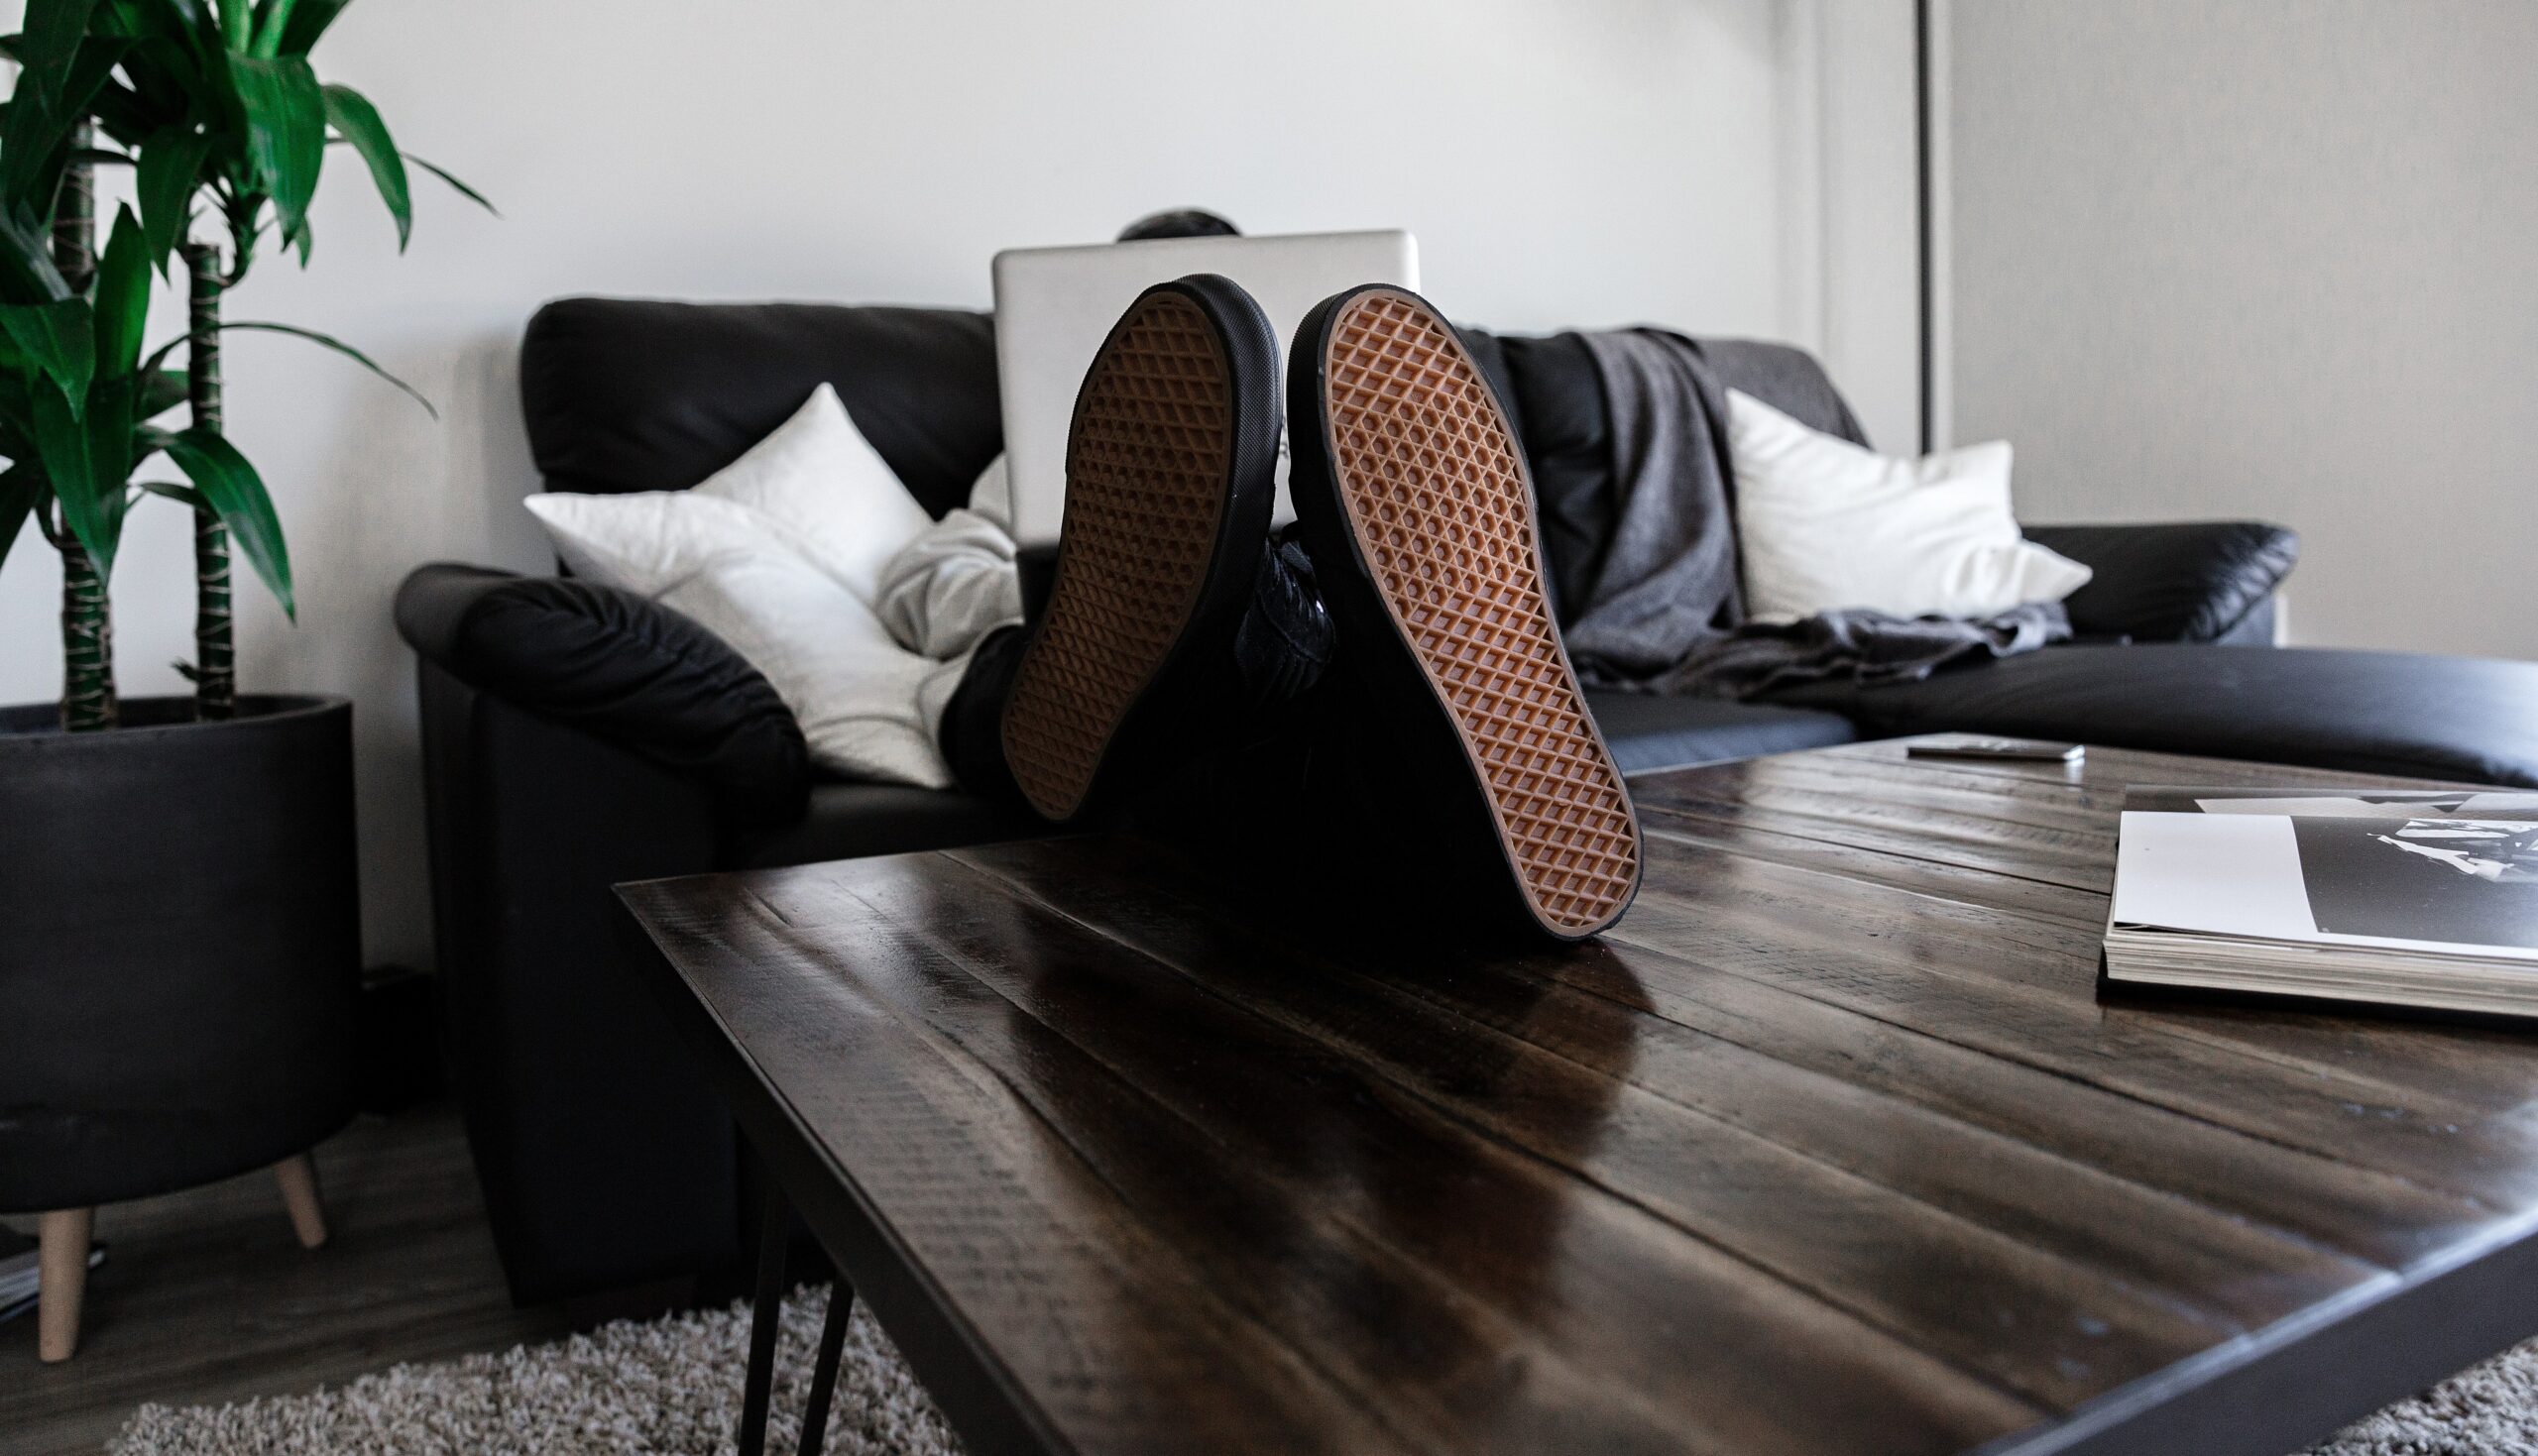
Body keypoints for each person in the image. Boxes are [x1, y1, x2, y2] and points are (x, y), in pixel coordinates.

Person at [881, 222, 1643, 941]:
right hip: (1094, 657)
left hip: (1277, 658)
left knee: (1302, 701)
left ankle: (1261, 617)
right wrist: (1093, 579)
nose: (1185, 384)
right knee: (1043, 682)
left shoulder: (1339, 424)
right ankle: (1220, 618)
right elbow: (926, 580)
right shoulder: (1039, 455)